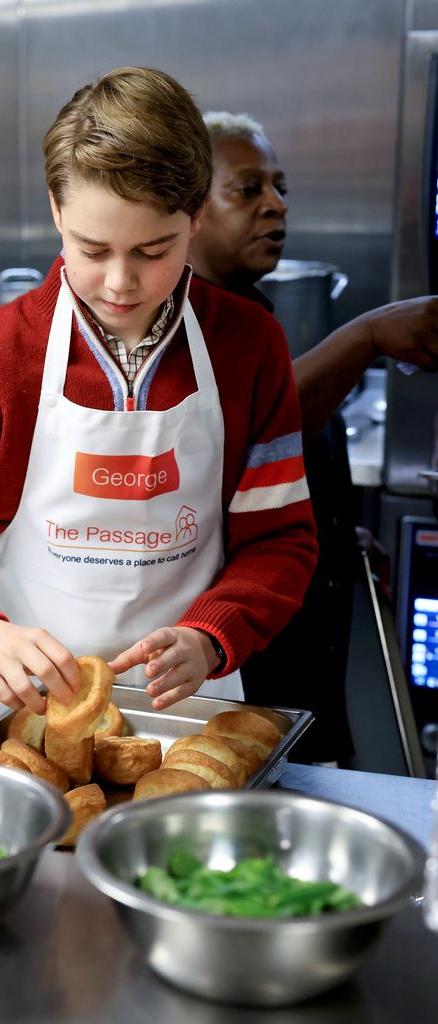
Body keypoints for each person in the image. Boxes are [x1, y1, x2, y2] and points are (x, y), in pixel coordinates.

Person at [0, 69, 317, 728]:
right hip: (23, 712)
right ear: (56, 211)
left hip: (185, 709)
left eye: (153, 250)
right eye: (91, 249)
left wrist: (212, 635)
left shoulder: (248, 346)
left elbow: (282, 541)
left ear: (195, 217)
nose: (120, 283)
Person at [188, 111, 438, 764]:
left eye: (279, 187)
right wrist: (366, 335)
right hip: (233, 668)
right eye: (247, 189)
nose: (274, 205)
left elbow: (275, 471)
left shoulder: (252, 318)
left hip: (303, 650)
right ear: (185, 206)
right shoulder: (172, 325)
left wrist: (333, 532)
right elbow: (250, 433)